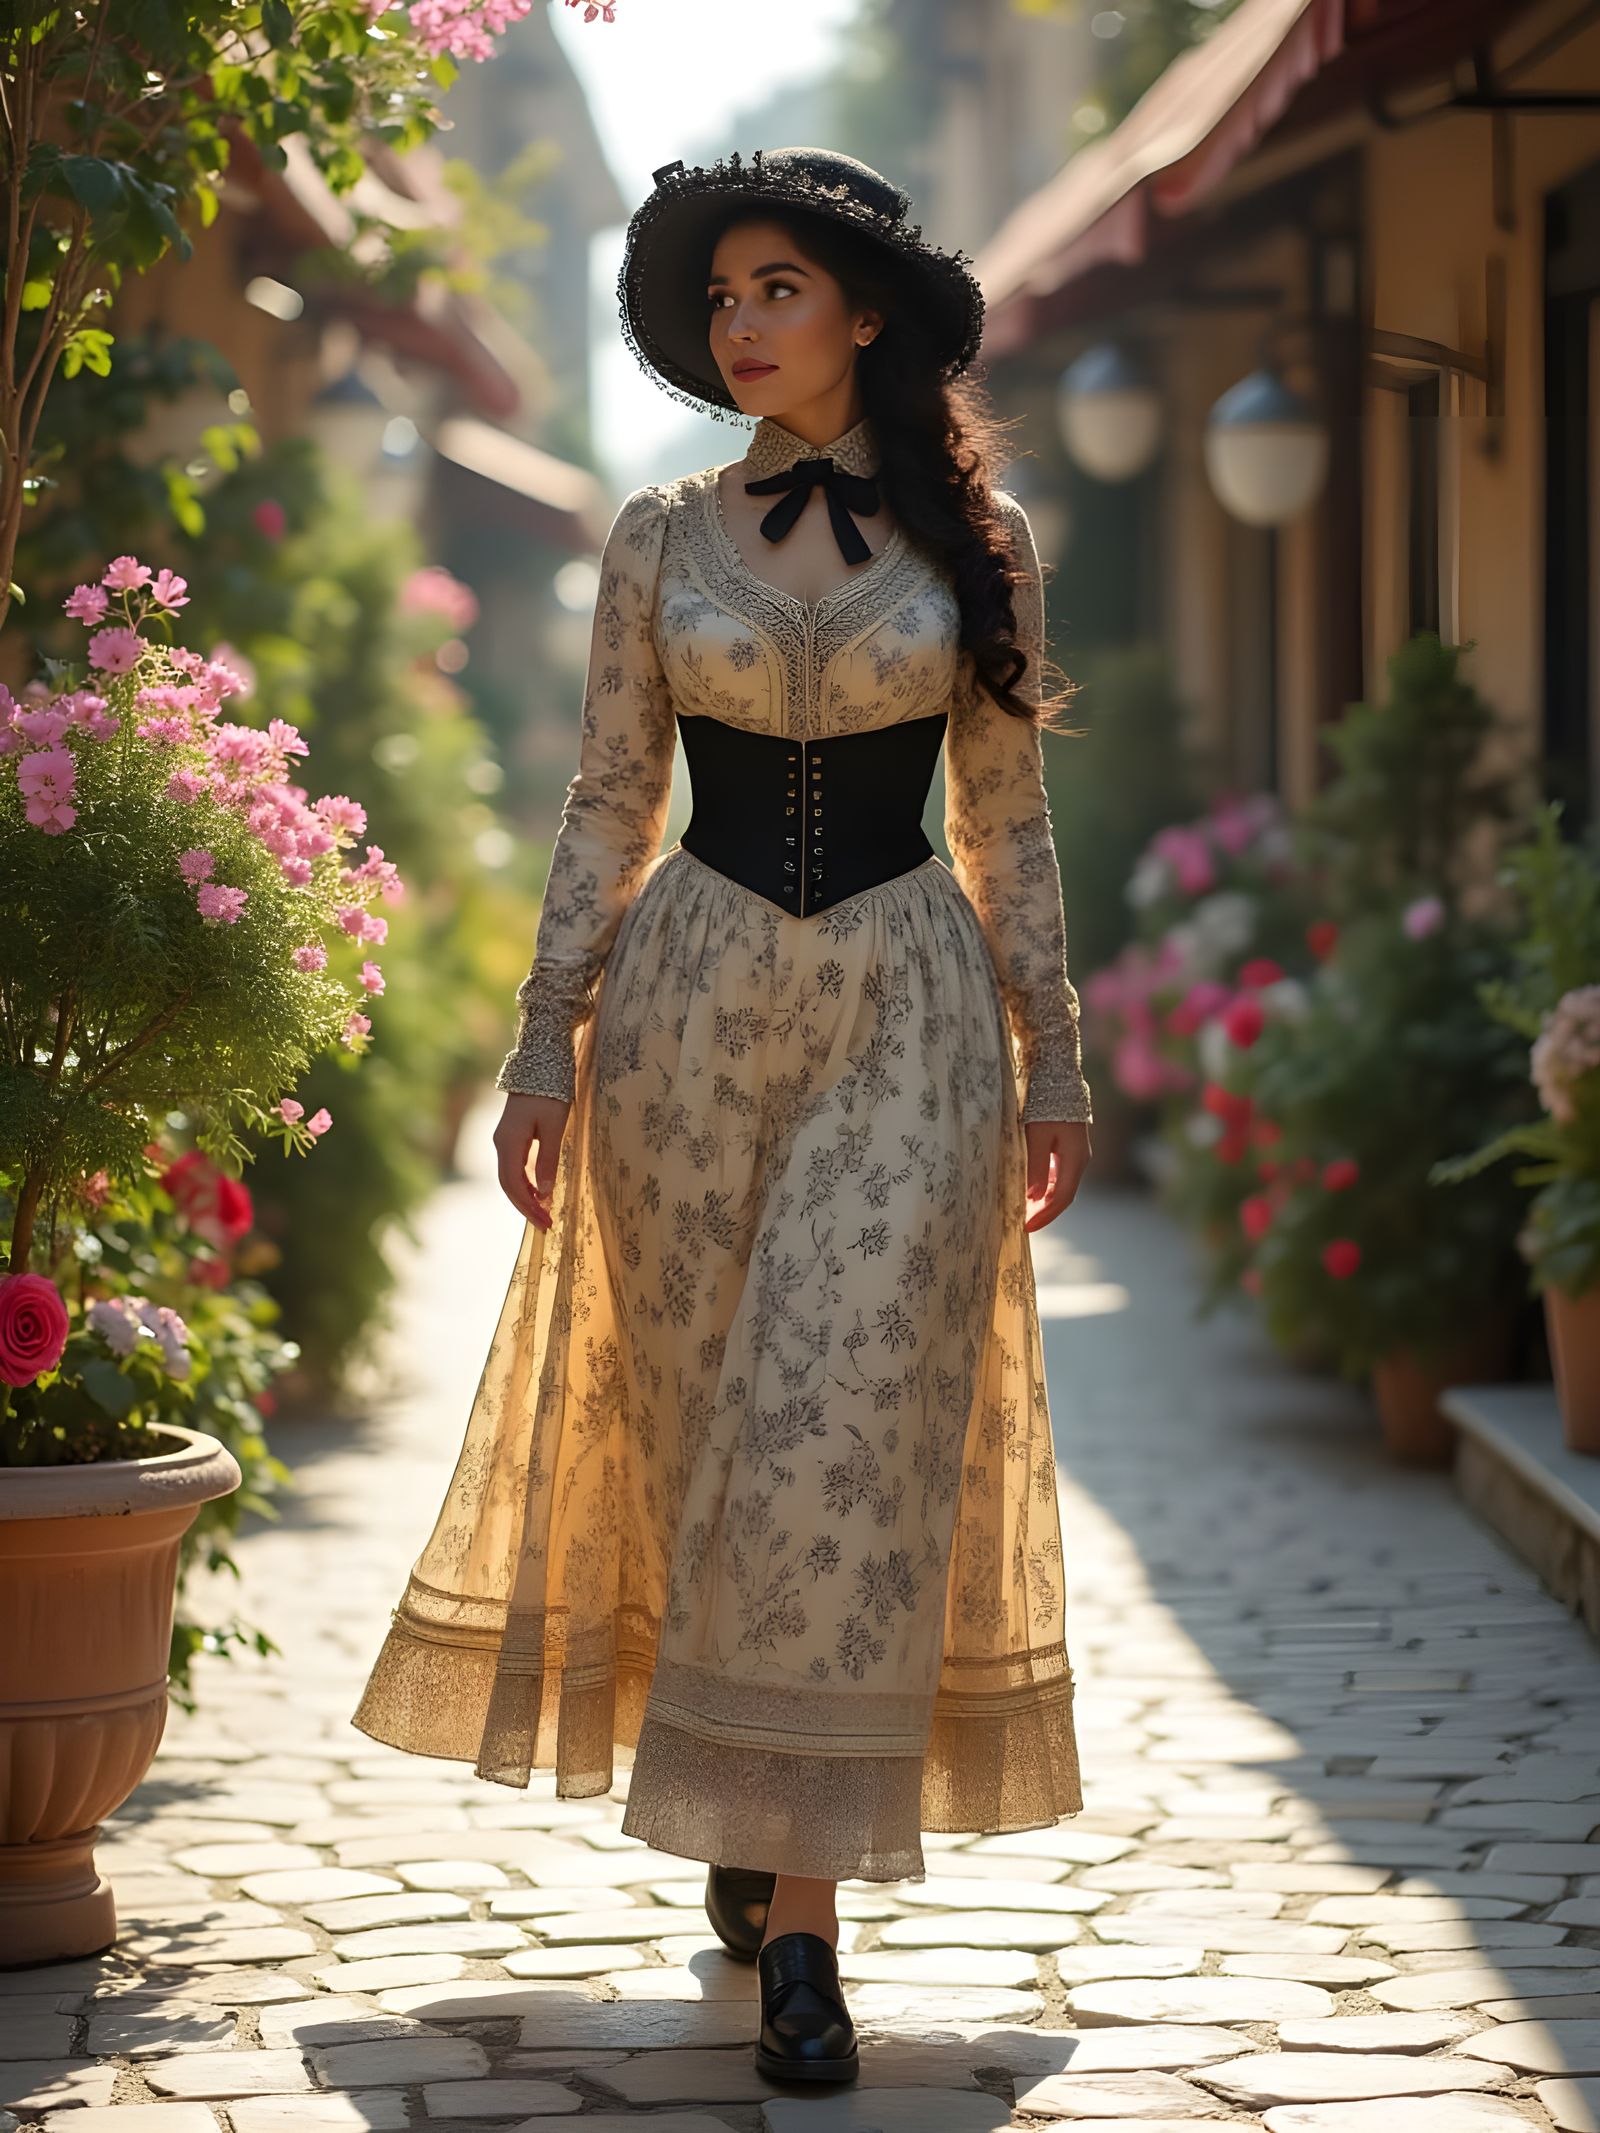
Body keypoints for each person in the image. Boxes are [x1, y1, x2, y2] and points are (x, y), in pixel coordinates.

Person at [353, 144, 1093, 2087]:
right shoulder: (653, 536)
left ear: (862, 309)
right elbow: (607, 795)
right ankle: (762, 1836)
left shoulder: (978, 540)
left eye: (778, 288)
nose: (739, 323)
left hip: (905, 1014)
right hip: (679, 1023)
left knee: (827, 1425)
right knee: (706, 1443)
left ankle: (807, 1935)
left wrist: (1055, 1058)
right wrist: (538, 1044)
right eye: (720, 297)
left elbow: (1006, 818)